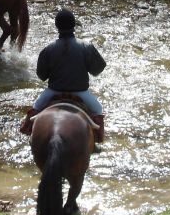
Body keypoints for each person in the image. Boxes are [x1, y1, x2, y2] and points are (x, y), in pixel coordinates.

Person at [20, 8, 107, 143]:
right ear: (74, 25)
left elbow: (42, 75)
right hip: (81, 92)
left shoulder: (48, 49)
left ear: (57, 26)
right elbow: (98, 69)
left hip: (53, 91)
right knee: (98, 109)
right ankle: (99, 140)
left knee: (36, 106)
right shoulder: (86, 46)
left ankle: (27, 131)